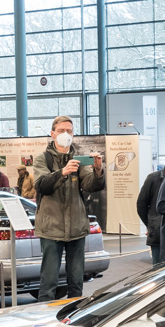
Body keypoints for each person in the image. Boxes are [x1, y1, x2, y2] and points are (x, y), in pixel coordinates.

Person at [31, 116, 105, 301]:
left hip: (76, 227)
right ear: (53, 134)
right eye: (61, 131)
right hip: (51, 228)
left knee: (76, 281)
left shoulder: (78, 159)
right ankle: (44, 315)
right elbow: (42, 186)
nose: (66, 134)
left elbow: (90, 185)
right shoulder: (42, 159)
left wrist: (97, 171)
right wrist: (63, 172)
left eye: (69, 131)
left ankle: (74, 313)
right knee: (49, 281)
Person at [137, 149, 165, 264]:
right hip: (158, 236)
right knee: (159, 270)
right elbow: (141, 204)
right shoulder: (153, 178)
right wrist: (151, 225)